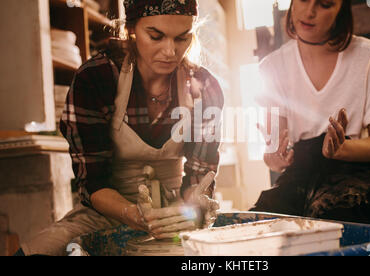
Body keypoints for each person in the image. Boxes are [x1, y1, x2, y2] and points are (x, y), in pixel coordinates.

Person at [18, 0, 224, 256]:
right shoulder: (96, 78)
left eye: (182, 38)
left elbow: (199, 175)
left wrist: (194, 205)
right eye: (156, 36)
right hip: (108, 210)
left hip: (176, 211)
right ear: (132, 29)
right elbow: (93, 182)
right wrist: (132, 214)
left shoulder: (204, 87)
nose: (170, 51)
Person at [251, 0, 370, 227]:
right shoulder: (272, 67)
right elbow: (274, 153)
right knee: (260, 224)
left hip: (357, 172)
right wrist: (275, 157)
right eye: (302, 0)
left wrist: (343, 149)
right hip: (300, 174)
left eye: (325, 4)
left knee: (339, 220)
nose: (309, 12)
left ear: (341, 11)